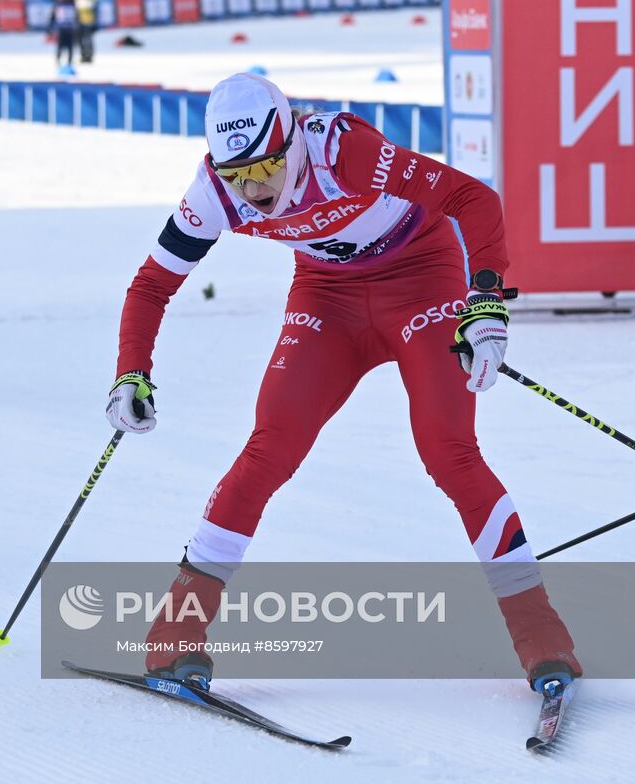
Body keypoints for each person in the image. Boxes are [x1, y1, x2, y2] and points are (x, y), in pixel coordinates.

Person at [106, 72, 581, 695]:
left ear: (292, 142)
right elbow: (151, 285)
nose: (255, 191)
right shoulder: (215, 193)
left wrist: (486, 302)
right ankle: (174, 640)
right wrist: (131, 372)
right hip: (327, 298)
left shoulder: (344, 153)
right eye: (237, 177)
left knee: (450, 451)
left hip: (420, 278)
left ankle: (542, 639)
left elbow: (475, 200)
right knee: (269, 448)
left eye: (266, 171)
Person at [50, 0, 79, 67]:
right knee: (60, 46)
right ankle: (58, 61)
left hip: (70, 29)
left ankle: (69, 62)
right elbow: (53, 16)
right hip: (61, 28)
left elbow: (77, 16)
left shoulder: (73, 4)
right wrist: (51, 27)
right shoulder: (58, 4)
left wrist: (77, 26)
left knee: (70, 47)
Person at [75, 0, 97, 64]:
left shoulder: (92, 0)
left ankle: (89, 56)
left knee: (89, 41)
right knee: (81, 41)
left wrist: (95, 24)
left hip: (89, 24)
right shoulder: (79, 0)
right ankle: (83, 56)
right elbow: (76, 12)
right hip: (81, 24)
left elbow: (95, 12)